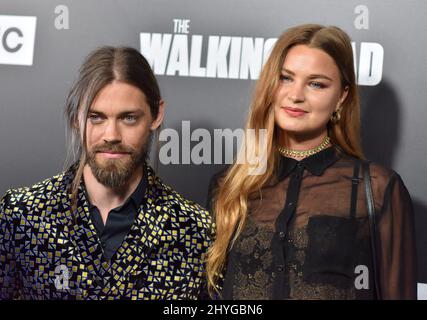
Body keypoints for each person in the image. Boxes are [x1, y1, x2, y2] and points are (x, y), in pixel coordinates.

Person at [205, 24, 416, 300]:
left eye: (316, 83)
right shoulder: (228, 186)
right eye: (285, 78)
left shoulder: (377, 189)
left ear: (342, 97)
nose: (296, 95)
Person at [0, 46, 212, 299]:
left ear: (157, 115)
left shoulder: (196, 230)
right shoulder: (21, 215)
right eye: (96, 117)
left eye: (129, 118)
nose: (111, 135)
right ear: (76, 118)